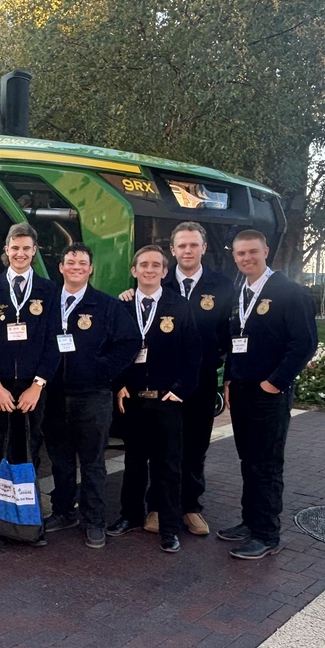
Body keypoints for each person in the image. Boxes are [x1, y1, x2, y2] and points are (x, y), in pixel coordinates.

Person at [119, 222, 233, 536]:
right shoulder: (158, 280)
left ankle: (190, 507)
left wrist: (228, 376)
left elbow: (230, 334)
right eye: (181, 245)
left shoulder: (222, 285)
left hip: (201, 379)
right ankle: (158, 506)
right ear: (172, 251)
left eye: (193, 245)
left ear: (203, 248)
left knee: (195, 445)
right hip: (161, 382)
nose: (187, 250)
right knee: (161, 449)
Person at [219, 230, 317, 559]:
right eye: (240, 253)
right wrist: (229, 379)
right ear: (234, 257)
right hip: (242, 391)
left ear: (266, 251)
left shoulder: (290, 292)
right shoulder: (240, 293)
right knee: (249, 460)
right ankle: (250, 522)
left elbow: (304, 343)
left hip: (269, 393)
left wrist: (275, 382)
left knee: (267, 464)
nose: (246, 258)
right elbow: (235, 341)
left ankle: (266, 534)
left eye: (252, 252)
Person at [43, 244, 140, 549]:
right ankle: (63, 511)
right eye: (70, 262)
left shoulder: (106, 305)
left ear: (91, 269)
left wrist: (102, 370)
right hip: (53, 394)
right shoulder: (46, 303)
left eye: (82, 262)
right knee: (60, 460)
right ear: (61, 267)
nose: (76, 267)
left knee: (93, 461)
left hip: (92, 395)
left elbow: (130, 342)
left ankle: (94, 519)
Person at [110, 245, 201, 553]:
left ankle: (169, 526)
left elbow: (193, 352)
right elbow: (112, 349)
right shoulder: (122, 306)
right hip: (133, 400)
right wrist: (119, 384)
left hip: (167, 400)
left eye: (155, 265)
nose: (149, 270)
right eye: (143, 265)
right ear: (134, 270)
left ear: (164, 271)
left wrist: (182, 389)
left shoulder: (179, 305)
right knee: (134, 462)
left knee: (168, 466)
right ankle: (130, 515)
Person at [0, 223, 60, 550]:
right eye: (15, 248)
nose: (20, 253)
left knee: (30, 451)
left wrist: (38, 385)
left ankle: (30, 524)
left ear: (34, 250)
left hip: (32, 387)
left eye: (26, 248)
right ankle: (0, 526)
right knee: (1, 451)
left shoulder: (48, 290)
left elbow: (54, 341)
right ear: (6, 250)